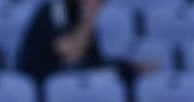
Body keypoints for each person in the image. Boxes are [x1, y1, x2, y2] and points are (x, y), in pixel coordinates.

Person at [15, 0, 158, 90]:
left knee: (125, 73)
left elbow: (92, 60)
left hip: (68, 74)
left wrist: (130, 67)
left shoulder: (78, 13)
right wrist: (90, 15)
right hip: (41, 79)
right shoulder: (56, 9)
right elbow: (71, 52)